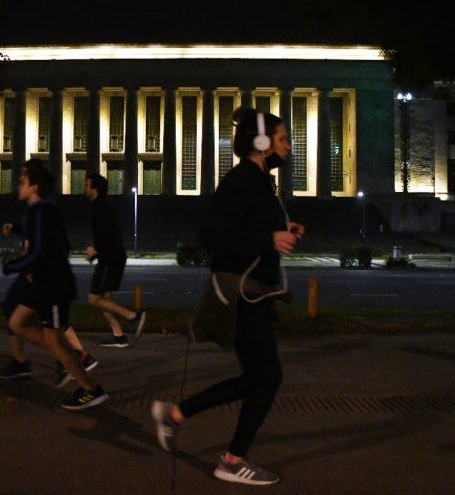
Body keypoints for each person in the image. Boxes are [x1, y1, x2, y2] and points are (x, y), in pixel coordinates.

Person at [151, 108, 305, 486]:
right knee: (266, 378)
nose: (288, 145)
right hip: (242, 295)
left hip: (255, 293)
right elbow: (212, 237)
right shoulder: (242, 180)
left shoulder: (259, 181)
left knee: (257, 378)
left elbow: (247, 227)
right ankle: (232, 461)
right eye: (282, 138)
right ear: (262, 143)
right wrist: (269, 238)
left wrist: (283, 230)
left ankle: (175, 415)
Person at [1, 159, 107, 409]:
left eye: (23, 182)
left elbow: (40, 251)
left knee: (52, 340)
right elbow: (45, 242)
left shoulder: (42, 211)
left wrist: (12, 266)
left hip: (53, 286)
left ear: (34, 187)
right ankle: (63, 356)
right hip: (43, 283)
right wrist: (18, 231)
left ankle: (90, 387)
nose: (19, 185)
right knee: (15, 322)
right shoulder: (40, 210)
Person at [84, 174, 146, 348]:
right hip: (110, 256)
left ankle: (132, 317)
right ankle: (118, 335)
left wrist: (94, 250)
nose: (84, 188)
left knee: (93, 298)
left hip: (110, 259)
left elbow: (107, 235)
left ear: (94, 188)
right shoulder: (102, 206)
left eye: (87, 185)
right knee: (104, 297)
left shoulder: (100, 207)